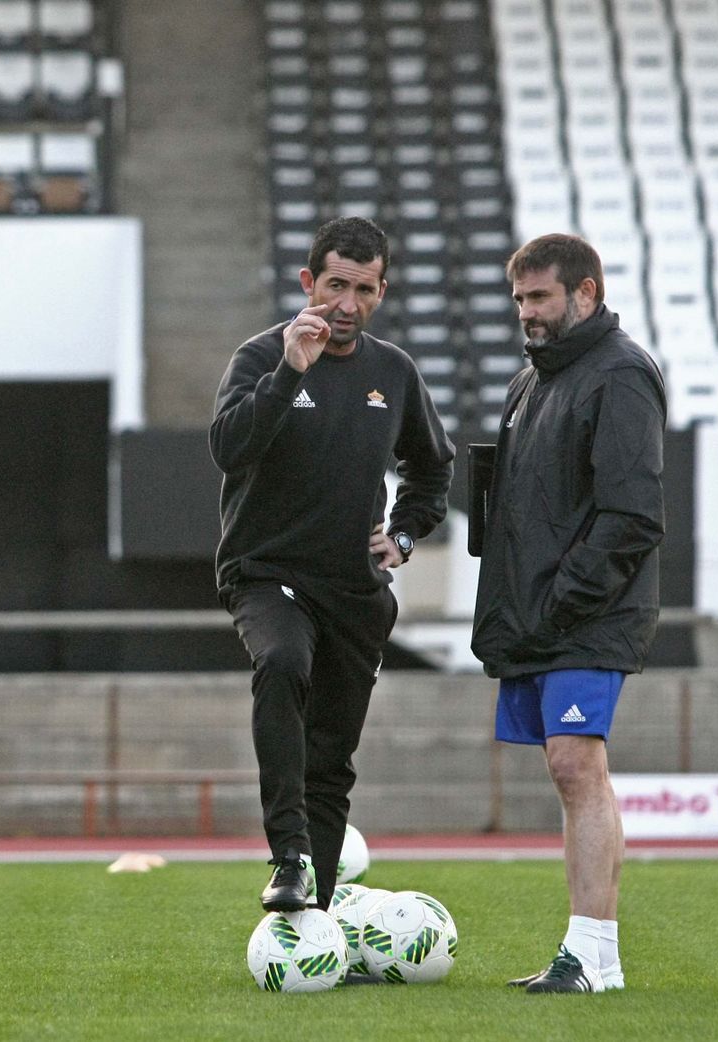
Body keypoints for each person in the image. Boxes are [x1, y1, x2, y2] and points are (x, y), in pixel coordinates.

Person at [209, 216, 455, 913]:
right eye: (336, 285)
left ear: (382, 291)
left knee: (333, 753)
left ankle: (313, 904)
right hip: (266, 570)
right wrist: (291, 371)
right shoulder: (261, 358)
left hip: (353, 584)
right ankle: (287, 858)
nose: (348, 305)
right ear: (308, 283)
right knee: (283, 663)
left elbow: (432, 467)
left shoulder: (393, 371)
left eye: (365, 289)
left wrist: (405, 536)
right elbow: (229, 448)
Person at [471, 233, 665, 994]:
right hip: (541, 613)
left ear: (585, 293)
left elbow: (631, 517)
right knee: (569, 772)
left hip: (589, 611)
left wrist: (559, 605)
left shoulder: (621, 374)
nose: (527, 313)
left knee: (576, 762)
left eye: (540, 297)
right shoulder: (530, 383)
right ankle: (595, 957)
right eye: (520, 299)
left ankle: (590, 956)